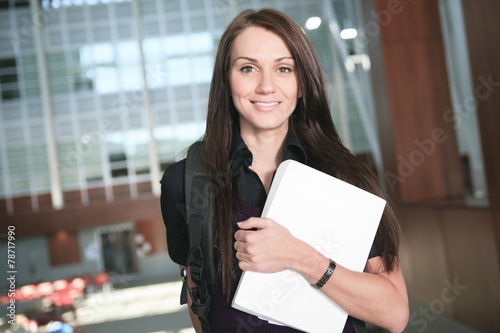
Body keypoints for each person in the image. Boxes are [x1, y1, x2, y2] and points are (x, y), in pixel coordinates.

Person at [161, 8, 409, 333]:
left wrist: (303, 258)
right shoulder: (186, 180)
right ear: (226, 80)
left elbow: (394, 313)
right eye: (248, 68)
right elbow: (198, 297)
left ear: (302, 83)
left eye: (283, 68)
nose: (266, 86)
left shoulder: (343, 175)